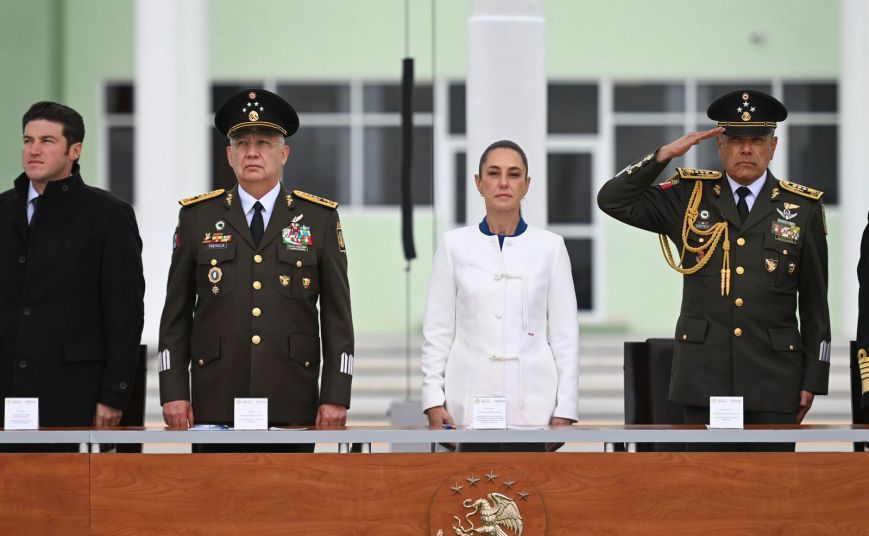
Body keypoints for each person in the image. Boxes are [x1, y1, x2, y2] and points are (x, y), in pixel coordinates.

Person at [598, 90, 830, 451]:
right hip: (704, 379)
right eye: (736, 141)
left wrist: (813, 378)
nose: (747, 150)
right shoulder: (689, 197)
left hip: (773, 380)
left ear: (774, 146)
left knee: (770, 496)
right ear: (720, 145)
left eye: (757, 141)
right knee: (708, 494)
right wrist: (664, 156)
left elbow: (816, 303)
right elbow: (613, 199)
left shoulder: (800, 208)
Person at [158, 88, 354, 453]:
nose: (252, 152)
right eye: (242, 142)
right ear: (229, 155)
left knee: (290, 503)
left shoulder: (318, 219)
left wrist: (336, 394)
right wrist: (173, 391)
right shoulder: (198, 217)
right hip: (215, 395)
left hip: (291, 397)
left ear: (284, 154)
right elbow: (175, 316)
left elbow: (338, 317)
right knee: (215, 502)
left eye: (264, 142)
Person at [0, 101, 145, 452]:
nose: (34, 149)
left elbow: (124, 313)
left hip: (72, 391)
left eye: (47, 140)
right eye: (27, 139)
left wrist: (114, 394)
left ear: (74, 150)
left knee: (63, 500)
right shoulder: (2, 211)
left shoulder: (109, 215)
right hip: (5, 389)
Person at [420, 140, 580, 452]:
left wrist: (566, 408)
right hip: (465, 403)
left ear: (527, 184)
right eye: (493, 173)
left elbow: (565, 335)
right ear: (478, 183)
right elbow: (437, 330)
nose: (504, 182)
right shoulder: (454, 245)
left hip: (535, 407)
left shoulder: (551, 247)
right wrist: (432, 400)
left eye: (514, 174)